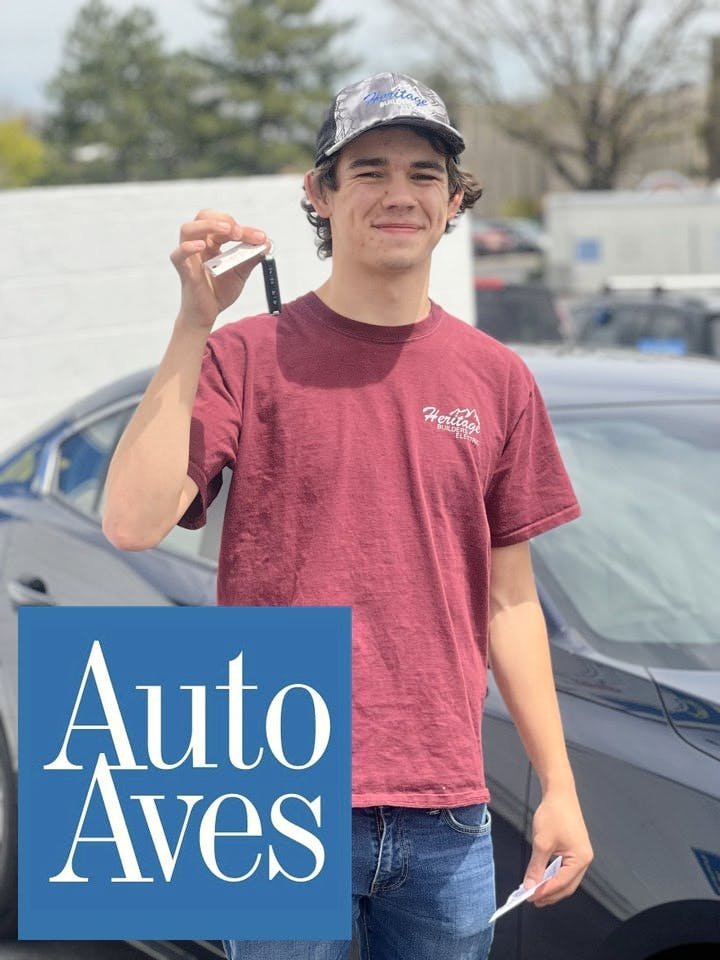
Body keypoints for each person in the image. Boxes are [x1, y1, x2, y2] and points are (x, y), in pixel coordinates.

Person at [103, 72, 593, 960]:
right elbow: (133, 523)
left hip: (447, 807)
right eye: (369, 171)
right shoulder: (245, 357)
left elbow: (511, 601)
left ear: (453, 201)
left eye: (424, 173)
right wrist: (192, 325)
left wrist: (558, 784)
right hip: (278, 795)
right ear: (320, 194)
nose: (400, 193)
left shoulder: (497, 377)